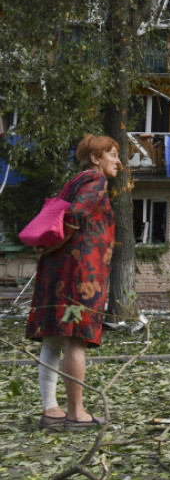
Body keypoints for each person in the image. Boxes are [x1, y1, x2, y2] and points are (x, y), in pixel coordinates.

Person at [26, 134, 120, 430]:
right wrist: (53, 244)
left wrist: (48, 248)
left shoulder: (75, 180)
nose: (118, 161)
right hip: (81, 276)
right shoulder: (95, 180)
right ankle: (76, 413)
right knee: (76, 339)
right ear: (96, 158)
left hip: (58, 272)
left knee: (54, 338)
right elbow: (75, 217)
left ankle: (50, 410)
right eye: (112, 154)